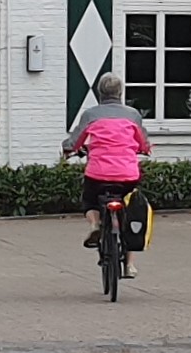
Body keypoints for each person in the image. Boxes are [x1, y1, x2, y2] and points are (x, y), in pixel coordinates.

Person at [62, 72, 152, 278]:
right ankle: (129, 265)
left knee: (89, 200)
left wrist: (68, 150)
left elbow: (74, 141)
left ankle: (95, 225)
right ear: (120, 92)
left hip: (98, 173)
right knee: (131, 211)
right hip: (128, 174)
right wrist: (144, 149)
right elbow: (143, 143)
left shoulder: (91, 115)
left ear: (99, 92)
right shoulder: (132, 115)